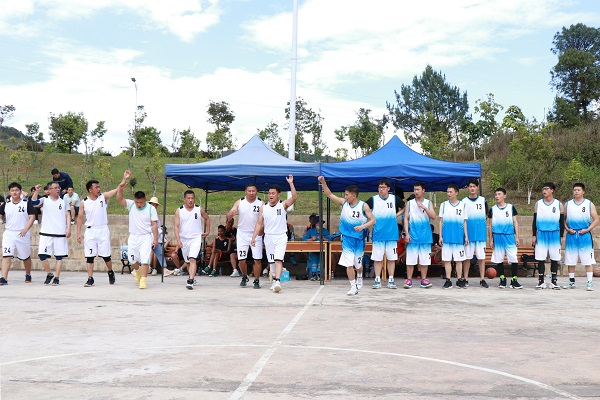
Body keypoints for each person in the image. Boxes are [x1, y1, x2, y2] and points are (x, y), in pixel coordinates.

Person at [318, 176, 375, 296]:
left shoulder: (363, 206)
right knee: (349, 264)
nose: (345, 196)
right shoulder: (344, 203)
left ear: (354, 195)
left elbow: (373, 221)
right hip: (346, 239)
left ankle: (359, 276)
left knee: (358, 265)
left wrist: (363, 226)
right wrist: (323, 182)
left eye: (347, 195)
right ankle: (353, 287)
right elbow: (329, 194)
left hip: (359, 239)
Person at [251, 176, 298, 293]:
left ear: (278, 195)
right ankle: (274, 281)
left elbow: (294, 197)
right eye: (269, 193)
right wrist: (254, 237)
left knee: (278, 259)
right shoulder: (264, 208)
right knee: (271, 261)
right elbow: (259, 223)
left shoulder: (283, 205)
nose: (271, 195)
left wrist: (291, 183)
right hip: (268, 237)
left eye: (273, 193)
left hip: (280, 236)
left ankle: (277, 281)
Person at [76, 178, 123, 287]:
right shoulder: (84, 202)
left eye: (99, 187)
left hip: (103, 230)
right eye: (96, 187)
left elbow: (116, 190)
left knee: (106, 256)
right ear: (90, 190)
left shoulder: (103, 197)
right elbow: (79, 218)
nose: (98, 189)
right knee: (90, 256)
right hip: (90, 231)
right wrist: (78, 233)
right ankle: (90, 278)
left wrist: (123, 180)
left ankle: (110, 271)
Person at [116, 170, 159, 289]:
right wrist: (121, 186)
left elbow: (154, 225)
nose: (139, 204)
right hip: (133, 236)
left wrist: (155, 239)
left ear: (145, 200)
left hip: (145, 237)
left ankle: (143, 280)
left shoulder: (151, 209)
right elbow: (119, 199)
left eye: (141, 202)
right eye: (137, 202)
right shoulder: (131, 205)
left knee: (145, 260)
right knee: (132, 259)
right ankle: (138, 272)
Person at [366, 179, 405, 289]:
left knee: (391, 258)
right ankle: (377, 279)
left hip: (391, 234)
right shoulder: (373, 199)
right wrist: (371, 217)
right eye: (379, 187)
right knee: (377, 259)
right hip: (378, 234)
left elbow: (405, 206)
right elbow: (364, 208)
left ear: (388, 188)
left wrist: (396, 214)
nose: (381, 189)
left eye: (383, 187)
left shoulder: (394, 198)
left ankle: (391, 280)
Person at [31, 182, 71, 286]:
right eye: (55, 188)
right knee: (42, 256)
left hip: (59, 233)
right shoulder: (44, 200)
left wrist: (68, 228)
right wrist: (36, 191)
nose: (58, 189)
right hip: (46, 233)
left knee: (59, 257)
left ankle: (57, 277)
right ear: (49, 190)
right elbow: (34, 202)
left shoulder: (64, 201)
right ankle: (49, 273)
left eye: (58, 188)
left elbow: (68, 215)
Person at [225, 183, 264, 289]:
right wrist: (230, 214)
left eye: (253, 191)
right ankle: (244, 275)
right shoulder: (240, 202)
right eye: (249, 191)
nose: (251, 193)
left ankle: (256, 280)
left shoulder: (261, 203)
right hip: (242, 234)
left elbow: (264, 218)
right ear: (245, 192)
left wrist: (262, 229)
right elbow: (229, 214)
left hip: (255, 234)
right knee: (242, 259)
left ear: (256, 192)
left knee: (257, 259)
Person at [564, 183, 598, 291]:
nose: (576, 192)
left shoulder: (589, 204)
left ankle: (589, 282)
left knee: (588, 260)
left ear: (583, 191)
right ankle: (571, 281)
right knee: (570, 260)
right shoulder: (568, 204)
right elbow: (563, 219)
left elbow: (596, 219)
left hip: (585, 234)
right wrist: (567, 229)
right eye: (574, 190)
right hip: (572, 234)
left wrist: (587, 229)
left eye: (578, 190)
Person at [0, 182, 36, 284]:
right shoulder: (6, 205)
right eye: (12, 191)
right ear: (9, 192)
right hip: (9, 233)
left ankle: (28, 274)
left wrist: (26, 229)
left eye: (16, 190)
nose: (14, 192)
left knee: (25, 256)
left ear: (20, 191)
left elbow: (32, 217)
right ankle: (4, 277)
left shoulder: (26, 203)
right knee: (6, 255)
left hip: (22, 233)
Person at [174, 189, 210, 290]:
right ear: (184, 199)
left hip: (195, 238)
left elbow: (207, 218)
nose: (190, 200)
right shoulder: (179, 210)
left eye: (192, 198)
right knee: (188, 261)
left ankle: (190, 280)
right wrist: (178, 240)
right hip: (184, 239)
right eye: (188, 198)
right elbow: (176, 226)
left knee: (192, 259)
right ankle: (191, 277)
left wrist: (208, 230)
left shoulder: (199, 209)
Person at [403, 183, 436, 289]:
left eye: (418, 189)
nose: (416, 192)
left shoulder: (428, 203)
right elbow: (406, 218)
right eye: (414, 189)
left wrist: (425, 208)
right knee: (410, 260)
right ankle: (409, 280)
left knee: (425, 260)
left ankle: (424, 280)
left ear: (423, 190)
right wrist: (407, 233)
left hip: (425, 236)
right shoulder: (409, 203)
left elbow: (433, 216)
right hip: (413, 236)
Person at [488, 187, 522, 289]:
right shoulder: (492, 209)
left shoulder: (511, 207)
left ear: (504, 196)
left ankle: (514, 280)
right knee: (499, 258)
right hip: (497, 236)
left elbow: (515, 222)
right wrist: (490, 239)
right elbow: (490, 225)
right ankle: (502, 279)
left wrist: (517, 237)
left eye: (499, 194)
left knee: (513, 258)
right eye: (496, 194)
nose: (497, 196)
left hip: (509, 236)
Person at [532, 182, 564, 290]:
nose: (544, 191)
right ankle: (541, 281)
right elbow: (534, 220)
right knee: (540, 258)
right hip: (541, 233)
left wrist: (561, 235)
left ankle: (554, 281)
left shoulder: (558, 204)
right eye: (543, 189)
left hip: (554, 233)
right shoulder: (538, 204)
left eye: (546, 189)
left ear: (552, 190)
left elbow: (561, 221)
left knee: (554, 258)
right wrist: (534, 235)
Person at [439, 184, 469, 289]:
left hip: (458, 237)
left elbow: (464, 222)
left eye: (450, 192)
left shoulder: (463, 205)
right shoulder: (443, 205)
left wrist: (466, 236)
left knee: (459, 260)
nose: (448, 194)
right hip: (447, 237)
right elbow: (441, 221)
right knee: (447, 260)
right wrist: (440, 236)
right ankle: (448, 280)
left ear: (456, 192)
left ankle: (459, 280)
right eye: (447, 192)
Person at [462, 178, 489, 288]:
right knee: (467, 258)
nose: (472, 188)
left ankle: (482, 279)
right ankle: (465, 279)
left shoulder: (483, 200)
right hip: (469, 235)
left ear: (477, 187)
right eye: (470, 186)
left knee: (481, 258)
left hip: (480, 235)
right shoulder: (464, 202)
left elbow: (486, 215)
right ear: (468, 188)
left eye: (474, 186)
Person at [302, 214, 331, 280]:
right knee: (314, 260)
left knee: (321, 260)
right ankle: (313, 274)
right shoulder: (310, 231)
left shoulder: (325, 231)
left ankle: (320, 274)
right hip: (313, 250)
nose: (319, 225)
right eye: (318, 223)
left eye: (320, 223)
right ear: (315, 224)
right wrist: (311, 239)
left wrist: (323, 238)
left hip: (322, 250)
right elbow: (303, 239)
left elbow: (330, 239)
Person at [148, 197, 167, 276]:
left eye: (155, 205)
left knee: (158, 253)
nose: (154, 206)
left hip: (155, 237)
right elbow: (152, 226)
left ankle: (164, 269)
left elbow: (157, 226)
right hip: (150, 236)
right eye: (153, 204)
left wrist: (160, 231)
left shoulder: (154, 213)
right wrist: (160, 231)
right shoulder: (149, 213)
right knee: (151, 253)